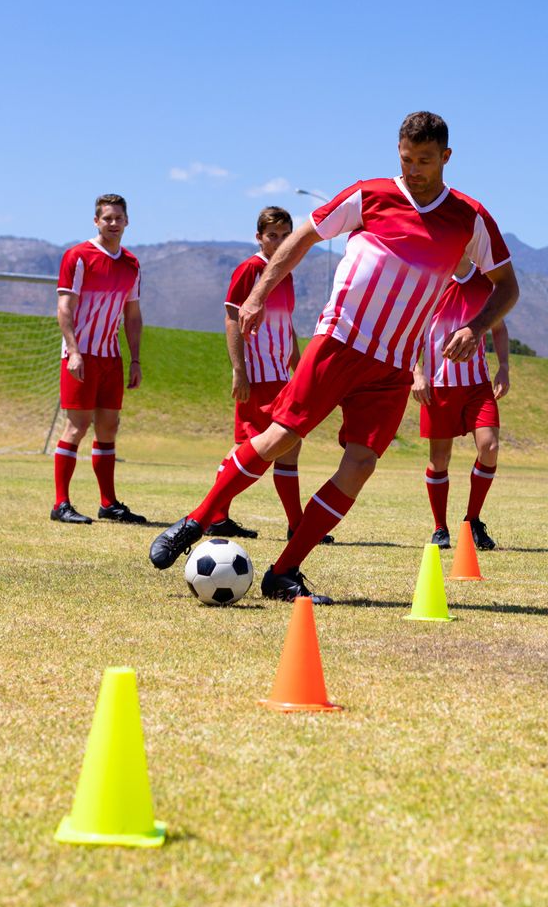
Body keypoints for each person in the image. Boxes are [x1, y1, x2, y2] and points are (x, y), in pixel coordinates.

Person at [150, 111, 519, 603]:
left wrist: (475, 328)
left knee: (361, 463)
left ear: (446, 158)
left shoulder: (469, 217)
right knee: (280, 437)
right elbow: (303, 237)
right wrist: (260, 292)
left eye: (425, 160)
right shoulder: (371, 194)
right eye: (406, 159)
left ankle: (285, 571)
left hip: (392, 365)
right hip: (339, 342)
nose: (413, 169)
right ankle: (196, 520)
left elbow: (507, 287)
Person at [206, 206, 330, 546]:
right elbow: (232, 319)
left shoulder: (284, 273)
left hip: (280, 375)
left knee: (287, 446)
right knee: (252, 447)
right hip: (257, 376)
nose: (278, 241)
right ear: (259, 237)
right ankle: (217, 516)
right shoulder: (250, 269)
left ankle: (290, 524)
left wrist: (297, 363)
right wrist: (239, 370)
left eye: (284, 235)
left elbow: (285, 323)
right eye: (271, 235)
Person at [50, 193, 146, 525]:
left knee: (109, 427)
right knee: (76, 427)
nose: (114, 223)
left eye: (119, 217)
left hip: (111, 357)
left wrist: (135, 360)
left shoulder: (131, 264)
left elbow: (133, 315)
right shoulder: (78, 256)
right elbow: (65, 307)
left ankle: (108, 503)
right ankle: (61, 503)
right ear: (96, 221)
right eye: (107, 218)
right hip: (81, 356)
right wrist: (73, 351)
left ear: (127, 221)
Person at [413, 257, 510, 550]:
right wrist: (416, 373)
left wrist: (503, 366)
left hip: (477, 385)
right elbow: (410, 333)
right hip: (438, 387)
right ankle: (440, 528)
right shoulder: (426, 282)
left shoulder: (483, 283)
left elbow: (499, 327)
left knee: (489, 447)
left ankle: (472, 521)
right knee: (439, 459)